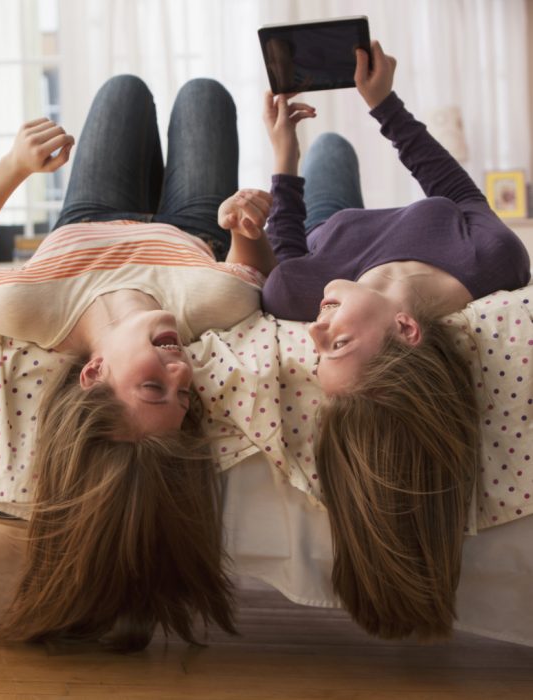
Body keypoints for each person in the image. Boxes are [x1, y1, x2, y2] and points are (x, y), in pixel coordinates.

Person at [0, 75, 269, 650]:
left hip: (86, 219)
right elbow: (250, 269)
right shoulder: (218, 303)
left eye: (155, 389)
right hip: (193, 231)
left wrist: (13, 166)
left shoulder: (29, 308)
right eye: (184, 397)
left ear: (93, 373)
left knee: (124, 91)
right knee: (206, 95)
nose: (182, 372)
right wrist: (248, 229)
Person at [218, 41, 530, 640]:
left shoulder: (297, 297)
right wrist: (384, 105)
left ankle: (316, 160)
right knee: (339, 145)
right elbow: (460, 193)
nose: (314, 331)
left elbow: (291, 252)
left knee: (324, 152)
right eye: (336, 345)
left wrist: (283, 158)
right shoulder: (493, 261)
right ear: (407, 329)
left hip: (325, 230)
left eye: (318, 348)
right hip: (375, 239)